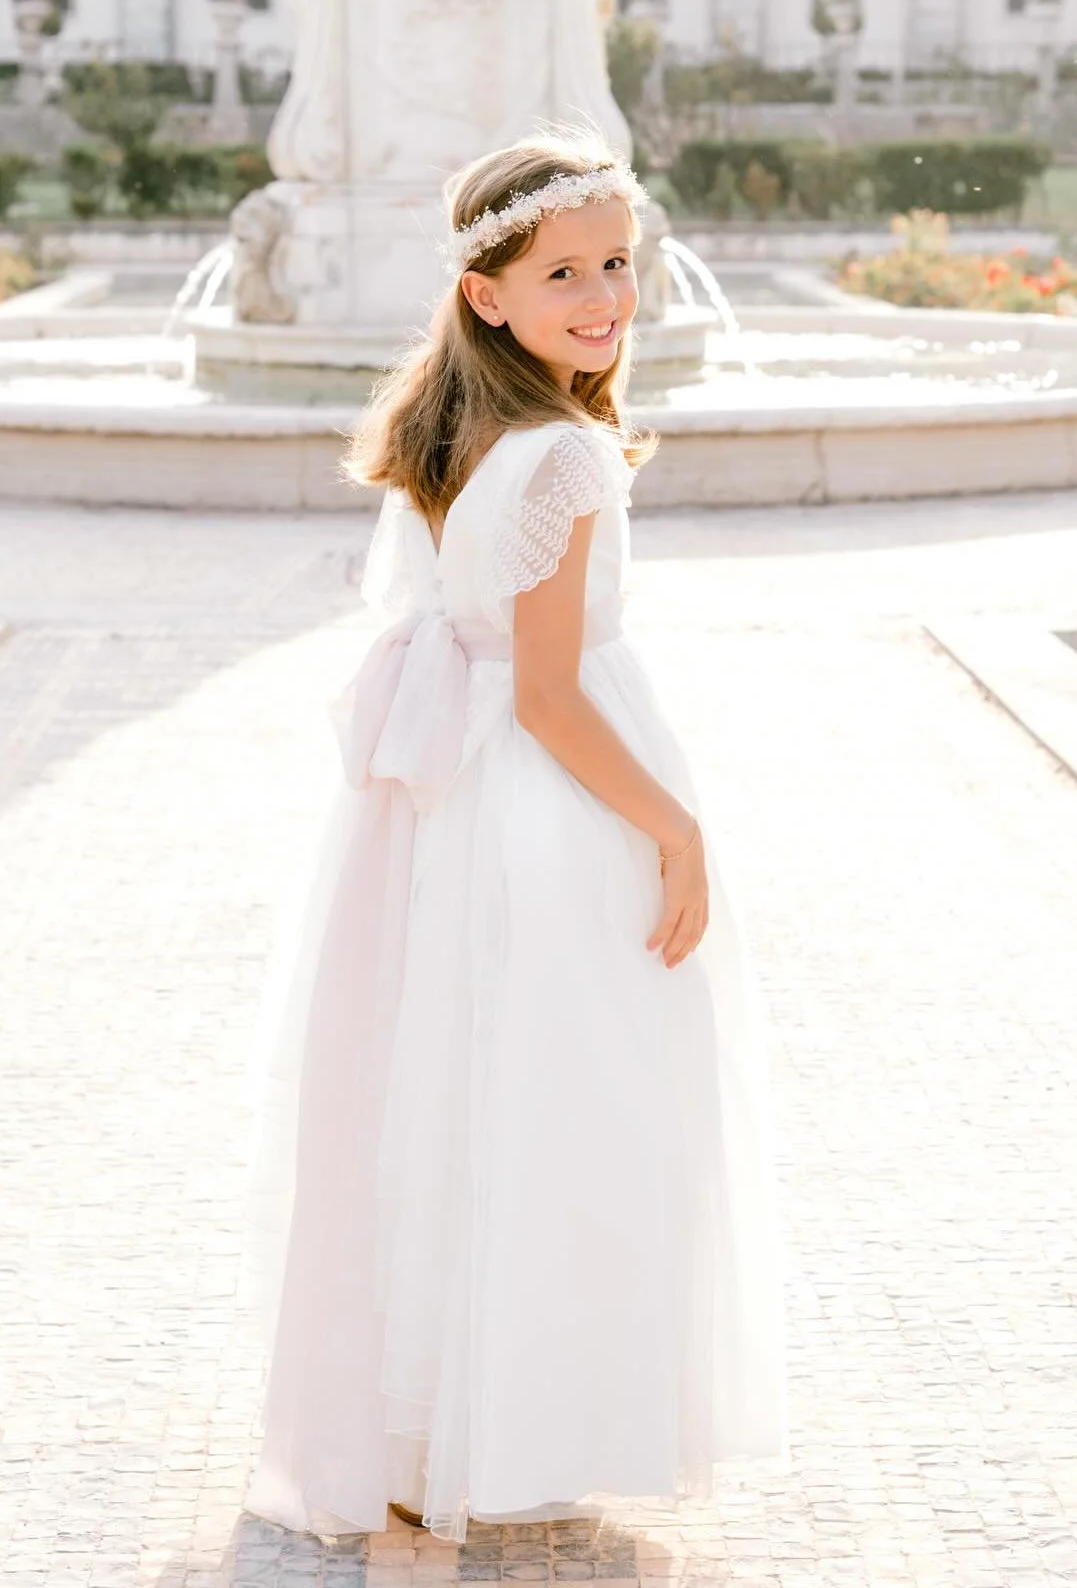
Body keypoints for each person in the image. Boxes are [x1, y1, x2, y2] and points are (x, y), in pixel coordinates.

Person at [242, 128, 786, 1548]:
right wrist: (677, 828)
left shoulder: (463, 429)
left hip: (468, 801)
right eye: (565, 275)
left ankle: (431, 1422)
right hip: (552, 809)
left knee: (455, 1098)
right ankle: (532, 1420)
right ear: (487, 295)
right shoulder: (563, 457)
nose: (605, 297)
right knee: (569, 1107)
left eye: (619, 264)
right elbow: (547, 695)